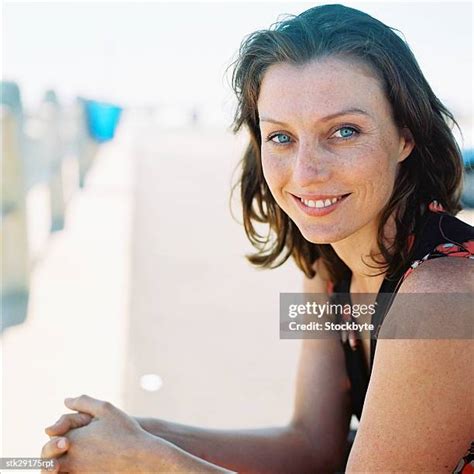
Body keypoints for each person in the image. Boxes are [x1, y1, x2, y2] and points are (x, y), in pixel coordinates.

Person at [41, 4, 474, 473]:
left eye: (344, 131)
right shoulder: (327, 269)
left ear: (404, 138)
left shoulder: (446, 293)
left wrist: (150, 461)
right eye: (282, 137)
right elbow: (311, 444)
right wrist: (136, 434)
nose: (306, 173)